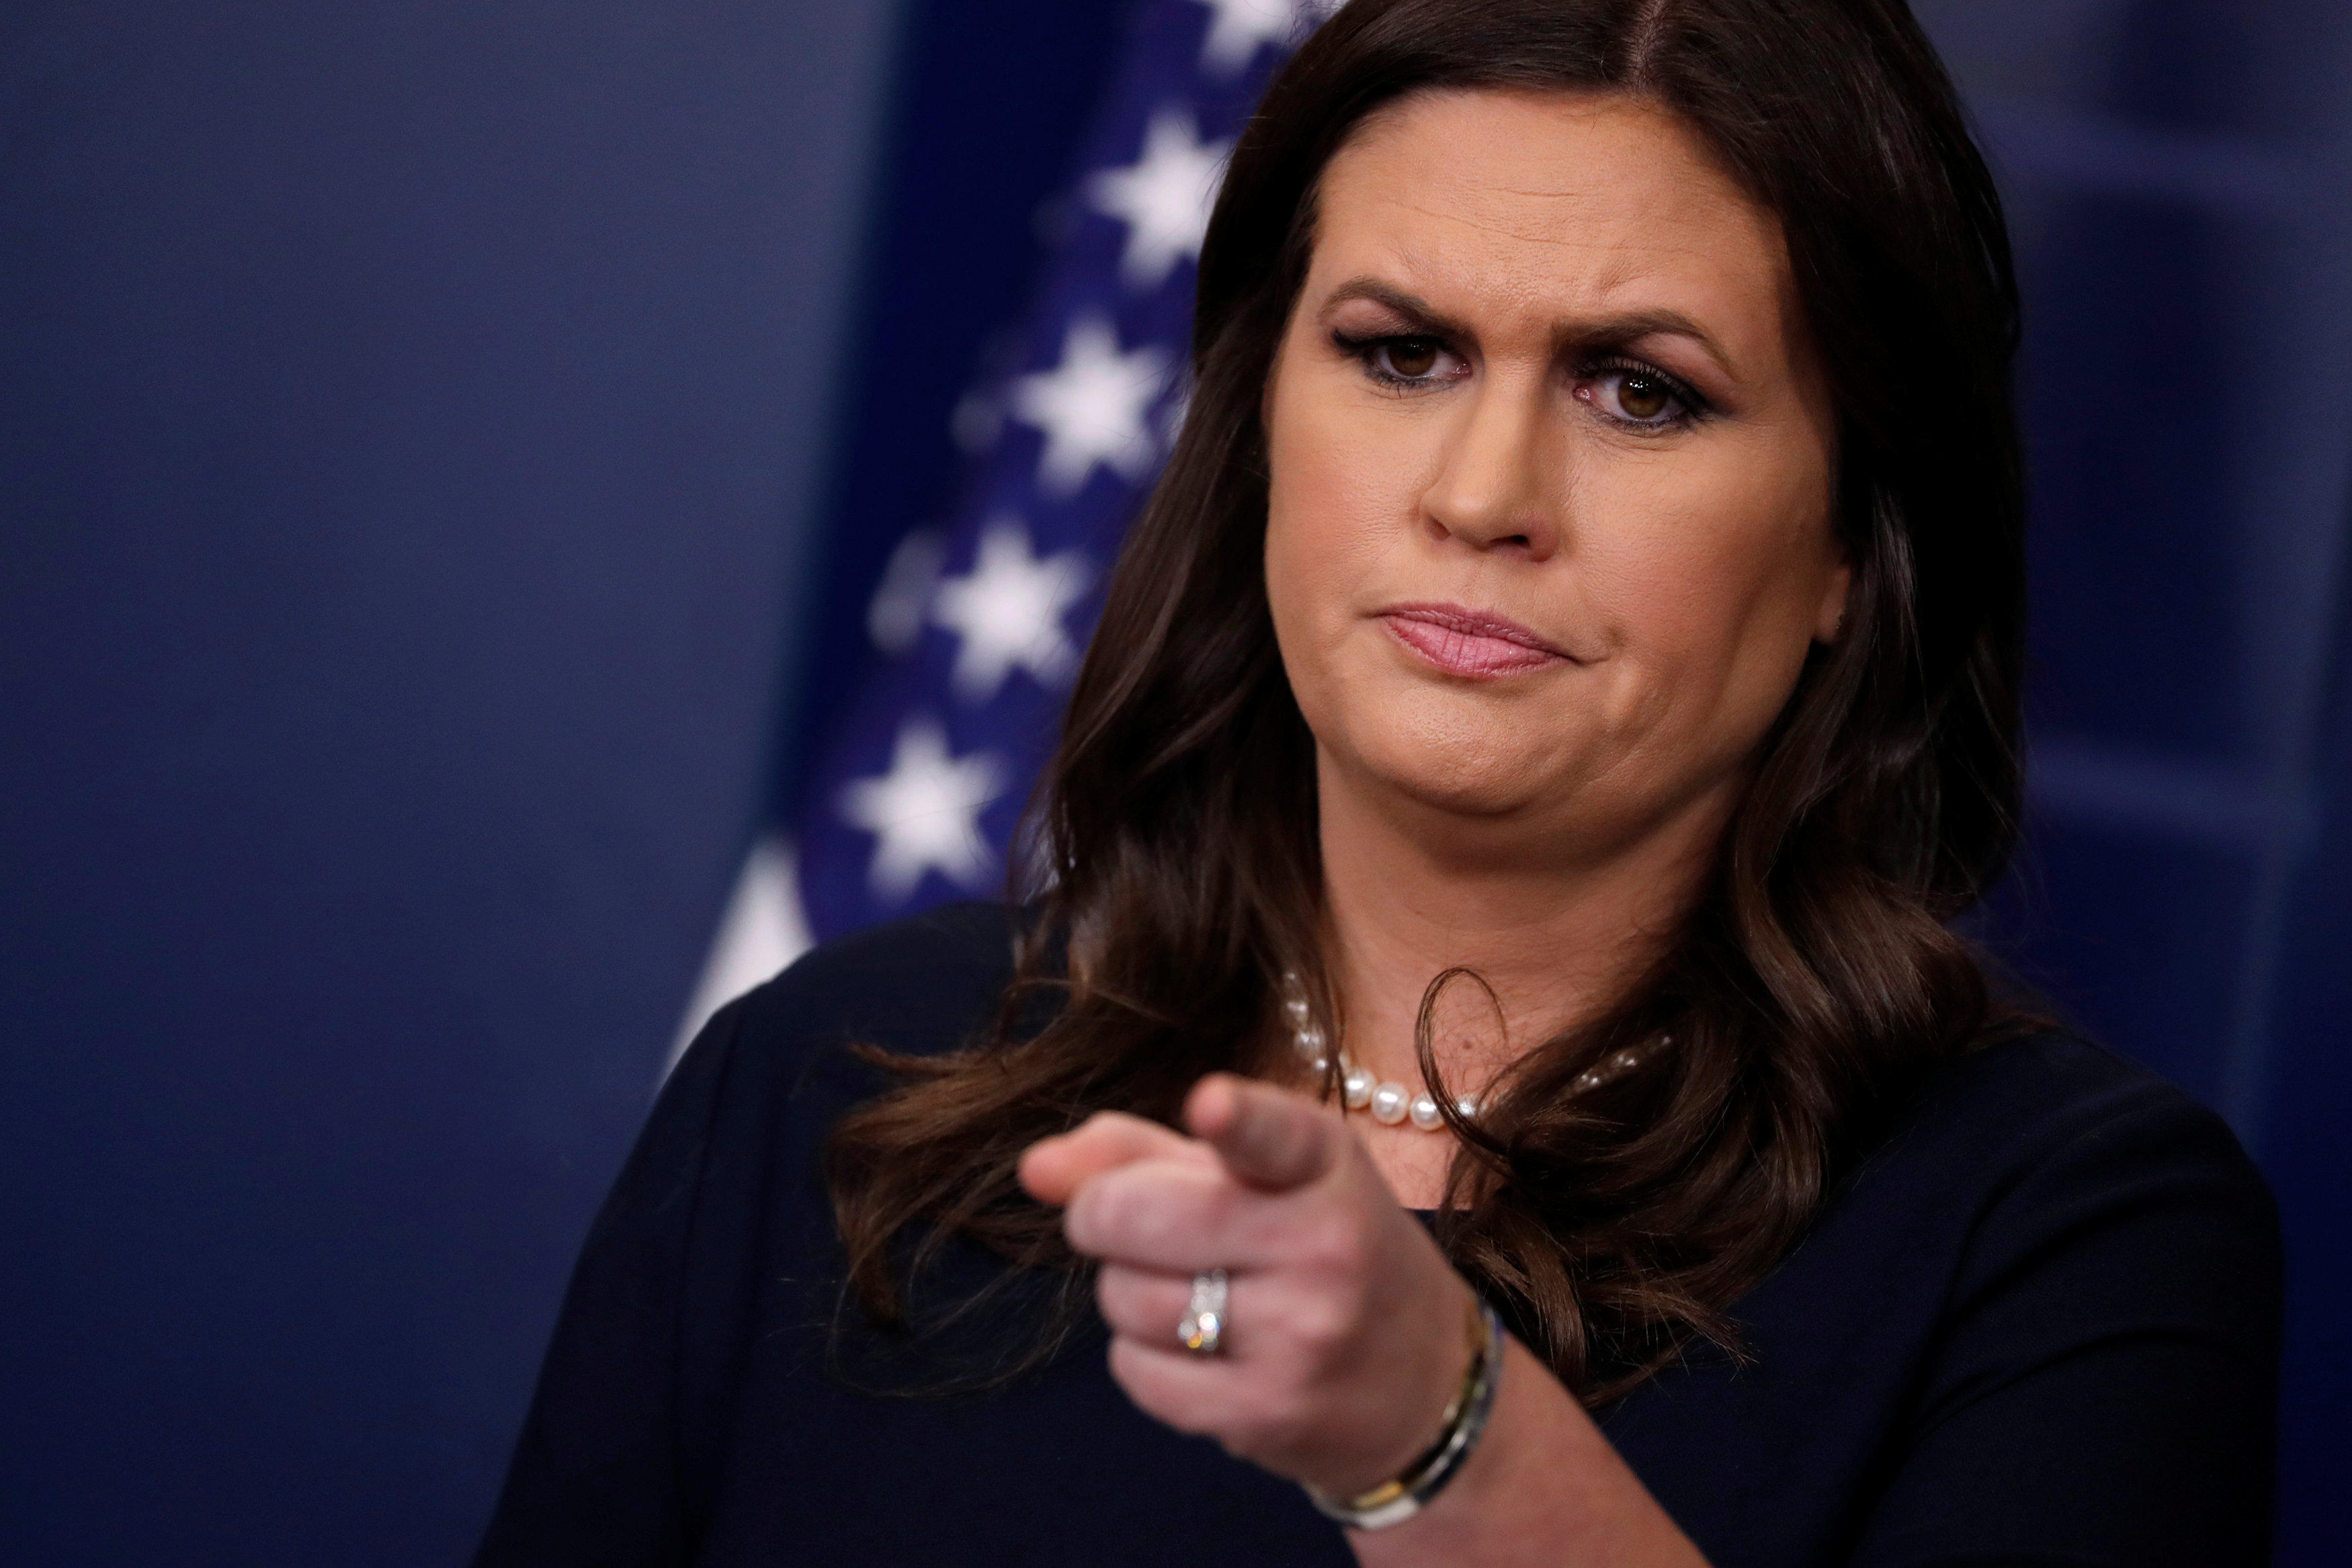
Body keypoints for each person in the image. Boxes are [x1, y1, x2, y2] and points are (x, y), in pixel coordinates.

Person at [474, 1, 2281, 1563]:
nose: (1483, 490)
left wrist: (1440, 1437)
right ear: (1259, 428)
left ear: (1848, 549)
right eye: (1398, 354)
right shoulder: (831, 1086)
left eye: (1640, 393)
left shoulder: (2063, 1243)